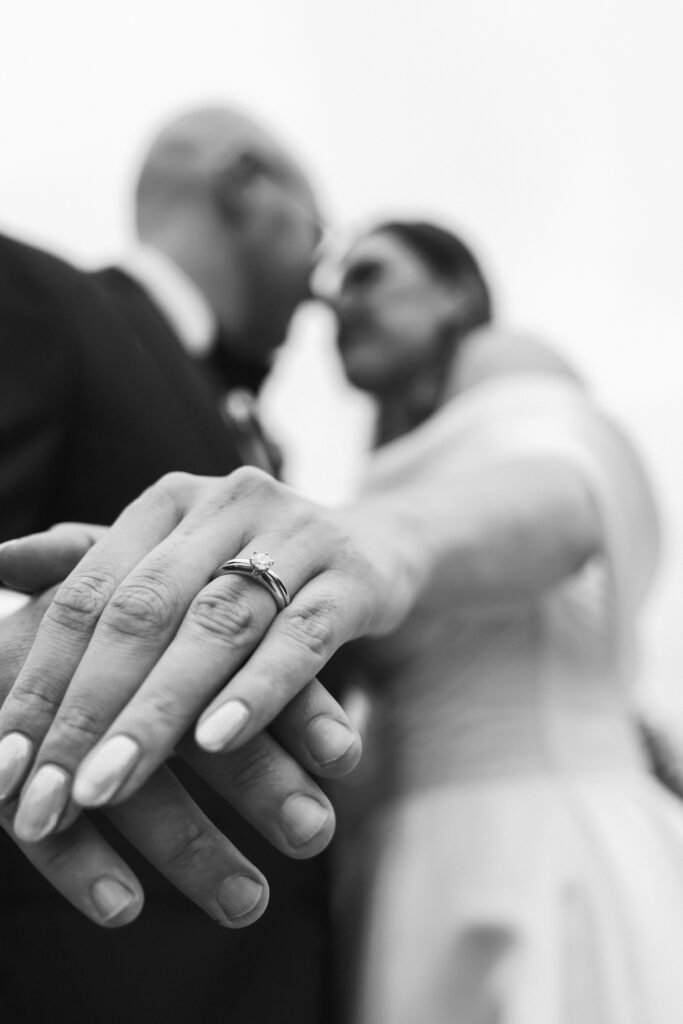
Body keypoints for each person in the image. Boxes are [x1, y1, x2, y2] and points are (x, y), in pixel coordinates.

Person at [0, 106, 351, 1024]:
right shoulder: (33, 296)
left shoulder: (251, 430)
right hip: (94, 970)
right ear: (245, 188)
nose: (321, 292)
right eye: (318, 233)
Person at [328, 220, 683, 1023]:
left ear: (453, 290)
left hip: (541, 848)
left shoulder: (504, 362)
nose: (341, 305)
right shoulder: (381, 461)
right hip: (413, 870)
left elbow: (563, 501)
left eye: (369, 275)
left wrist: (388, 544)